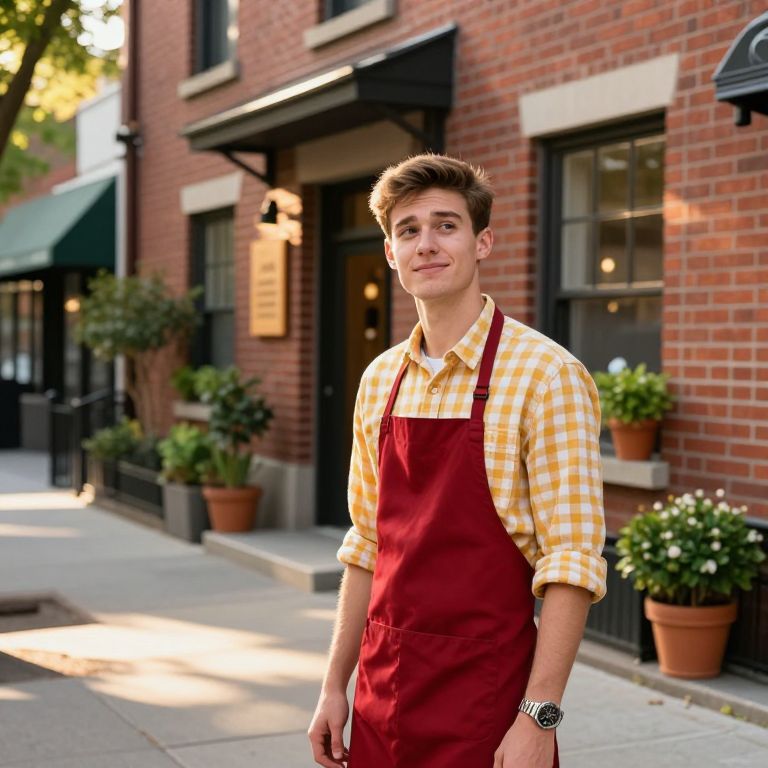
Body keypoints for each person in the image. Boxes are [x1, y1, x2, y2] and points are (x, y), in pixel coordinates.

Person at [308, 154, 607, 768]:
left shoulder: (546, 375)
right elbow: (367, 544)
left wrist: (540, 717)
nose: (427, 243)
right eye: (408, 229)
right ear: (391, 253)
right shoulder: (380, 380)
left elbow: (572, 564)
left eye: (446, 224)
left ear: (483, 242)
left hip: (490, 704)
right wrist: (333, 685)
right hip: (381, 696)